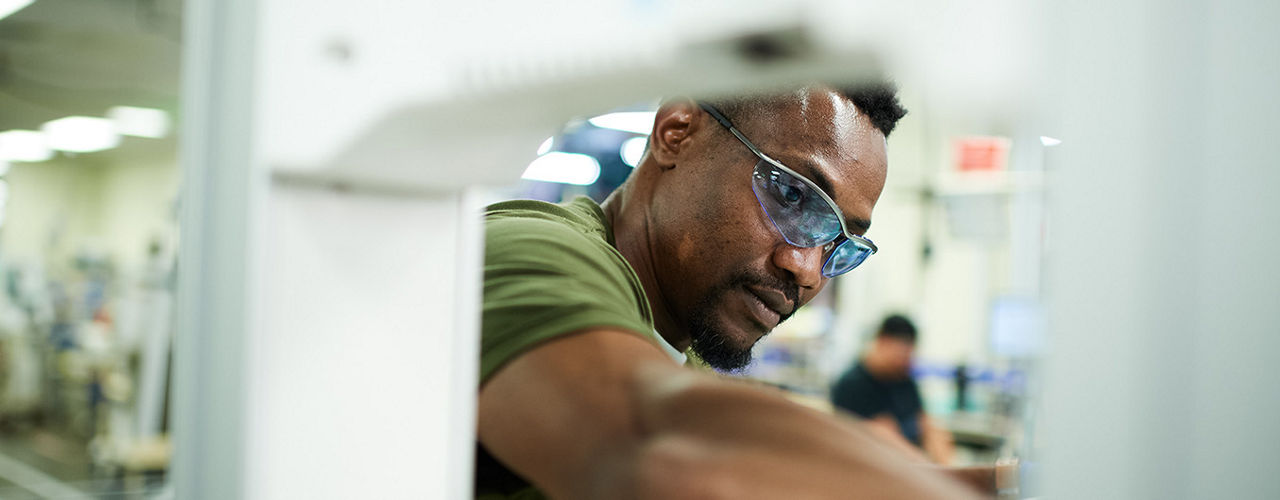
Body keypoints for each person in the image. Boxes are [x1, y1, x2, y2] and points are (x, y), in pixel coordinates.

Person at [477, 84, 1007, 500]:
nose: (806, 271)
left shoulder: (682, 348)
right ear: (676, 131)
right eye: (792, 195)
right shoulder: (532, 251)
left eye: (839, 245)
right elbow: (660, 450)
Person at [831, 314, 957, 464]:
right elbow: (885, 437)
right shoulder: (852, 384)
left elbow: (926, 425)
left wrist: (948, 467)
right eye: (901, 353)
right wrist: (927, 469)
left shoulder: (904, 380)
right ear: (882, 342)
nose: (906, 361)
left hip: (912, 467)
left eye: (909, 354)